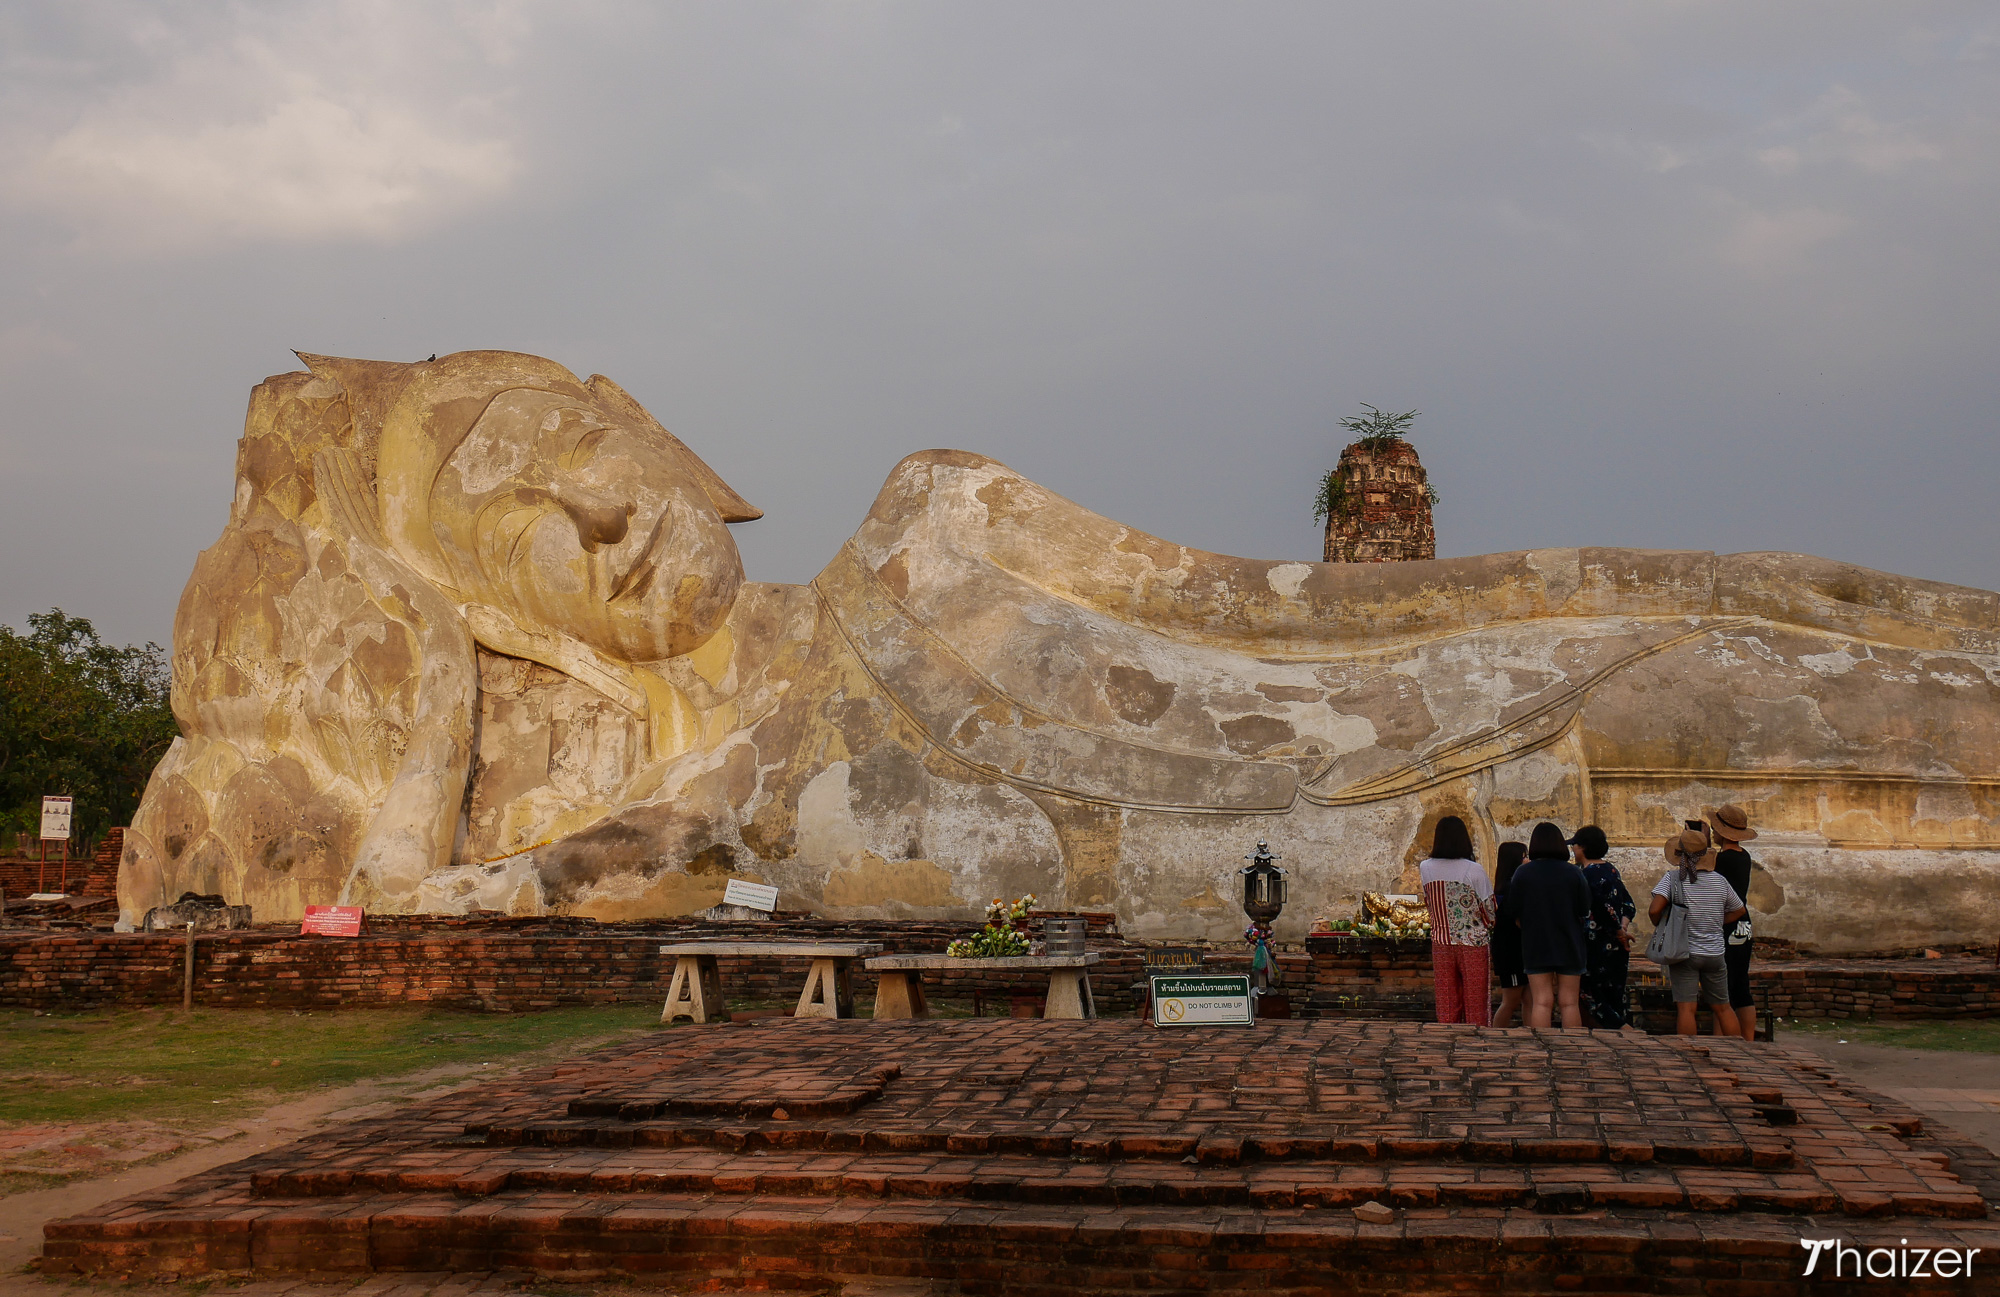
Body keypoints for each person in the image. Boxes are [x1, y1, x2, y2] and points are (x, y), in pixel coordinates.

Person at [1650, 827, 1749, 1036]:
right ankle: (1739, 1053)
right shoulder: (1720, 881)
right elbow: (1739, 909)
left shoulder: (1674, 879)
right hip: (1715, 953)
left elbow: (1654, 909)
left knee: (1687, 1008)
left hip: (1685, 952)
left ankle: (1690, 1055)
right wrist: (1718, 922)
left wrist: (1662, 924)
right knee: (1723, 1007)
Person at [1499, 822, 1590, 1028]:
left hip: (1536, 942)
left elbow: (1511, 908)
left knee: (1541, 1001)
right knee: (1569, 1002)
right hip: (1569, 941)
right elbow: (1584, 908)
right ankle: (1574, 1049)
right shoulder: (1574, 873)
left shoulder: (1523, 873)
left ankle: (1541, 1049)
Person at [1419, 816, 1494, 1025]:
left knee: (1446, 1000)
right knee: (1476, 1001)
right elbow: (1490, 910)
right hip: (1473, 941)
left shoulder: (1425, 867)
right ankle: (1477, 1041)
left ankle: (1446, 1040)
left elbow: (1428, 901)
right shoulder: (1474, 870)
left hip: (1441, 940)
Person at [1570, 825, 1635, 1029]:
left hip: (1594, 943)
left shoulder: (1585, 876)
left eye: (1575, 846)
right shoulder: (1611, 870)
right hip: (1616, 944)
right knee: (1614, 992)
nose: (1573, 850)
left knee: (1590, 992)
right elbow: (1628, 904)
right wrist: (1622, 928)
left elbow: (1601, 908)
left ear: (1583, 848)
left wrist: (1617, 930)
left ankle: (1622, 1028)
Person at [1707, 804, 1761, 1041]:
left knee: (1723, 988)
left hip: (1728, 921)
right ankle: (1747, 1039)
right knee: (1741, 985)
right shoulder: (1743, 856)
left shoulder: (1723, 860)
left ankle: (1723, 1041)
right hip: (1743, 924)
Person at [1489, 841, 1528, 1028]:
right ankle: (1496, 1034)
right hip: (1510, 952)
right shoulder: (1509, 887)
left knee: (1530, 999)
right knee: (1511, 1000)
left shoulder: (1509, 885)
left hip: (1520, 951)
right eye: (1524, 856)